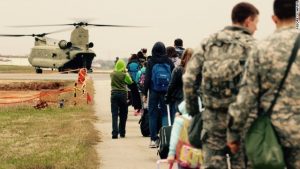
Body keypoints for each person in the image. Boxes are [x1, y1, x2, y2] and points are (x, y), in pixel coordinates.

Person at [183, 2, 259, 169]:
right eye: (256, 23)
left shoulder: (208, 43)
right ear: (247, 21)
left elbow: (189, 78)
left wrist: (194, 111)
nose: (256, 28)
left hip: (212, 119)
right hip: (244, 123)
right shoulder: (254, 46)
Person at [227, 0, 300, 168]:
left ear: (274, 18)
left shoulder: (261, 48)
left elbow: (246, 96)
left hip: (271, 133)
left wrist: (234, 133)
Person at [143, 41, 175, 148]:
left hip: (154, 91)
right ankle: (165, 138)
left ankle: (153, 140)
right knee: (165, 114)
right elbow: (174, 77)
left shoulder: (151, 62)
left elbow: (147, 79)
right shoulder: (169, 61)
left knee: (152, 114)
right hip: (166, 91)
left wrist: (144, 93)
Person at [166, 48, 194, 124]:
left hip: (179, 100)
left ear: (183, 57)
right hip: (193, 100)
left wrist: (167, 98)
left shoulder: (178, 70)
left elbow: (171, 85)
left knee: (178, 122)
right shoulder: (197, 70)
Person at [110, 59, 133, 139]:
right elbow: (130, 82)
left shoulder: (112, 74)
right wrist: (126, 74)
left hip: (114, 94)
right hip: (123, 95)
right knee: (123, 114)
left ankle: (114, 133)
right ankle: (122, 132)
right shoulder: (124, 74)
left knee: (114, 114)